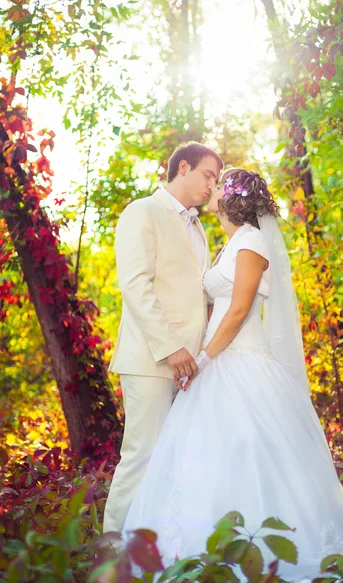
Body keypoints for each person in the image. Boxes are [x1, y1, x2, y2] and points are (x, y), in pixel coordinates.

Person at [121, 168, 343, 583]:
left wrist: (204, 358)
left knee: (252, 451)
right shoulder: (230, 243)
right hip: (218, 359)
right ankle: (205, 548)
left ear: (234, 198)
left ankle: (267, 553)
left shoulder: (253, 241)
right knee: (209, 455)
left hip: (239, 360)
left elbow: (238, 311)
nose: (212, 190)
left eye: (219, 185)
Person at [103, 142, 223, 534]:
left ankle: (152, 551)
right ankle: (110, 554)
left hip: (191, 367)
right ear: (183, 167)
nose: (212, 185)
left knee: (173, 459)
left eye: (217, 179)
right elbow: (136, 285)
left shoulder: (199, 228)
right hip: (151, 359)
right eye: (208, 174)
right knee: (141, 456)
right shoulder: (142, 211)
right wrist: (172, 348)